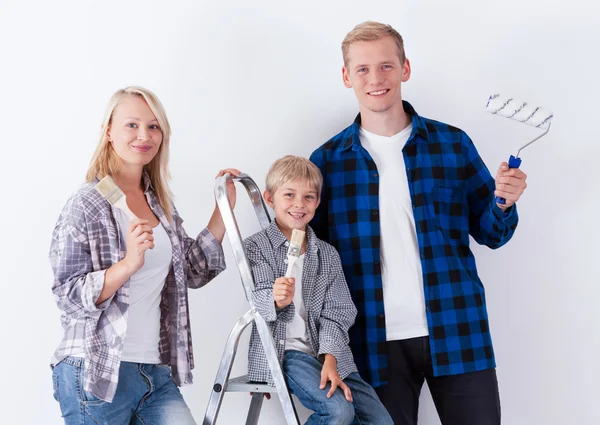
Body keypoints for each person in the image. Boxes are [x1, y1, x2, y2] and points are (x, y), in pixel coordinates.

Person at [309, 21, 528, 425]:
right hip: (371, 344)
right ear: (346, 76)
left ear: (405, 68)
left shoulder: (452, 144)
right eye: (362, 69)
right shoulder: (326, 162)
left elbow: (491, 234)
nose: (376, 78)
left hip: (458, 328)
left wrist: (504, 202)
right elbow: (314, 263)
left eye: (387, 66)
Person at [49, 86, 240, 424]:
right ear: (109, 131)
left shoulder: (158, 203)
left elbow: (192, 273)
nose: (144, 135)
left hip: (152, 370)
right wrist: (127, 265)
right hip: (95, 370)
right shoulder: (88, 203)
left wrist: (222, 210)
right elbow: (67, 295)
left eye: (153, 126)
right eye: (132, 125)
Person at [243, 155, 393, 425]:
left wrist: (331, 359)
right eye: (289, 195)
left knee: (379, 420)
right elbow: (259, 301)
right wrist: (276, 299)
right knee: (337, 411)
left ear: (318, 202)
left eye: (309, 197)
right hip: (286, 351)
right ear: (269, 198)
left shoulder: (327, 254)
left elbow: (339, 311)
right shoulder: (256, 247)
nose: (299, 204)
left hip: (327, 351)